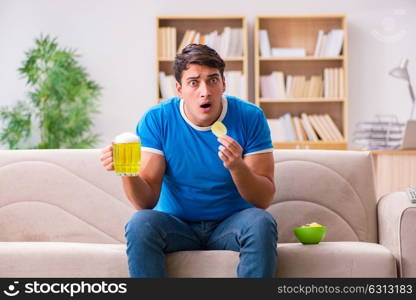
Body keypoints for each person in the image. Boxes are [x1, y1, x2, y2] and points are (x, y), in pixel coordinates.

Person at [100, 44, 278, 278]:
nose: (205, 91)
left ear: (224, 83)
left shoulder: (250, 117)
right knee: (140, 222)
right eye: (194, 82)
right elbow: (146, 202)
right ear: (179, 89)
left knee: (261, 222)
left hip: (231, 224)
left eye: (213, 80)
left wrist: (237, 166)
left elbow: (262, 199)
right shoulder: (158, 119)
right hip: (176, 225)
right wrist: (127, 170)